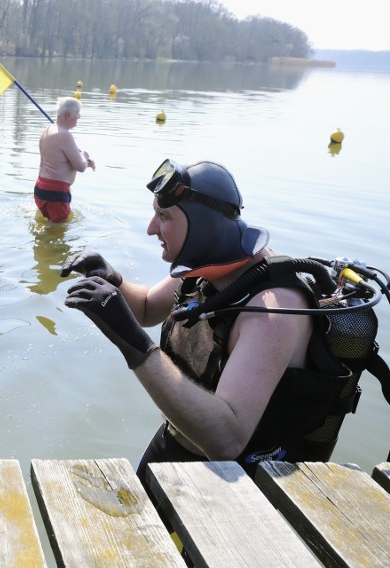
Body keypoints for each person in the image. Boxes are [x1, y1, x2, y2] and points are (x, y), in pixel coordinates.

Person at [61, 159, 362, 490]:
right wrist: (112, 278)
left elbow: (226, 440)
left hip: (240, 481)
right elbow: (147, 308)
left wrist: (133, 343)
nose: (150, 228)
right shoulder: (205, 267)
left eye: (164, 216)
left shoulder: (272, 311)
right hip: (181, 437)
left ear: (202, 226)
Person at [35, 97, 95, 223]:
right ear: (68, 115)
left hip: (40, 188)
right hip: (56, 192)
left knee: (47, 225)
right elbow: (80, 167)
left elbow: (59, 160)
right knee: (59, 229)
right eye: (77, 116)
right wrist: (84, 155)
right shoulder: (65, 135)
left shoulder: (46, 131)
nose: (78, 119)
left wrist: (84, 160)